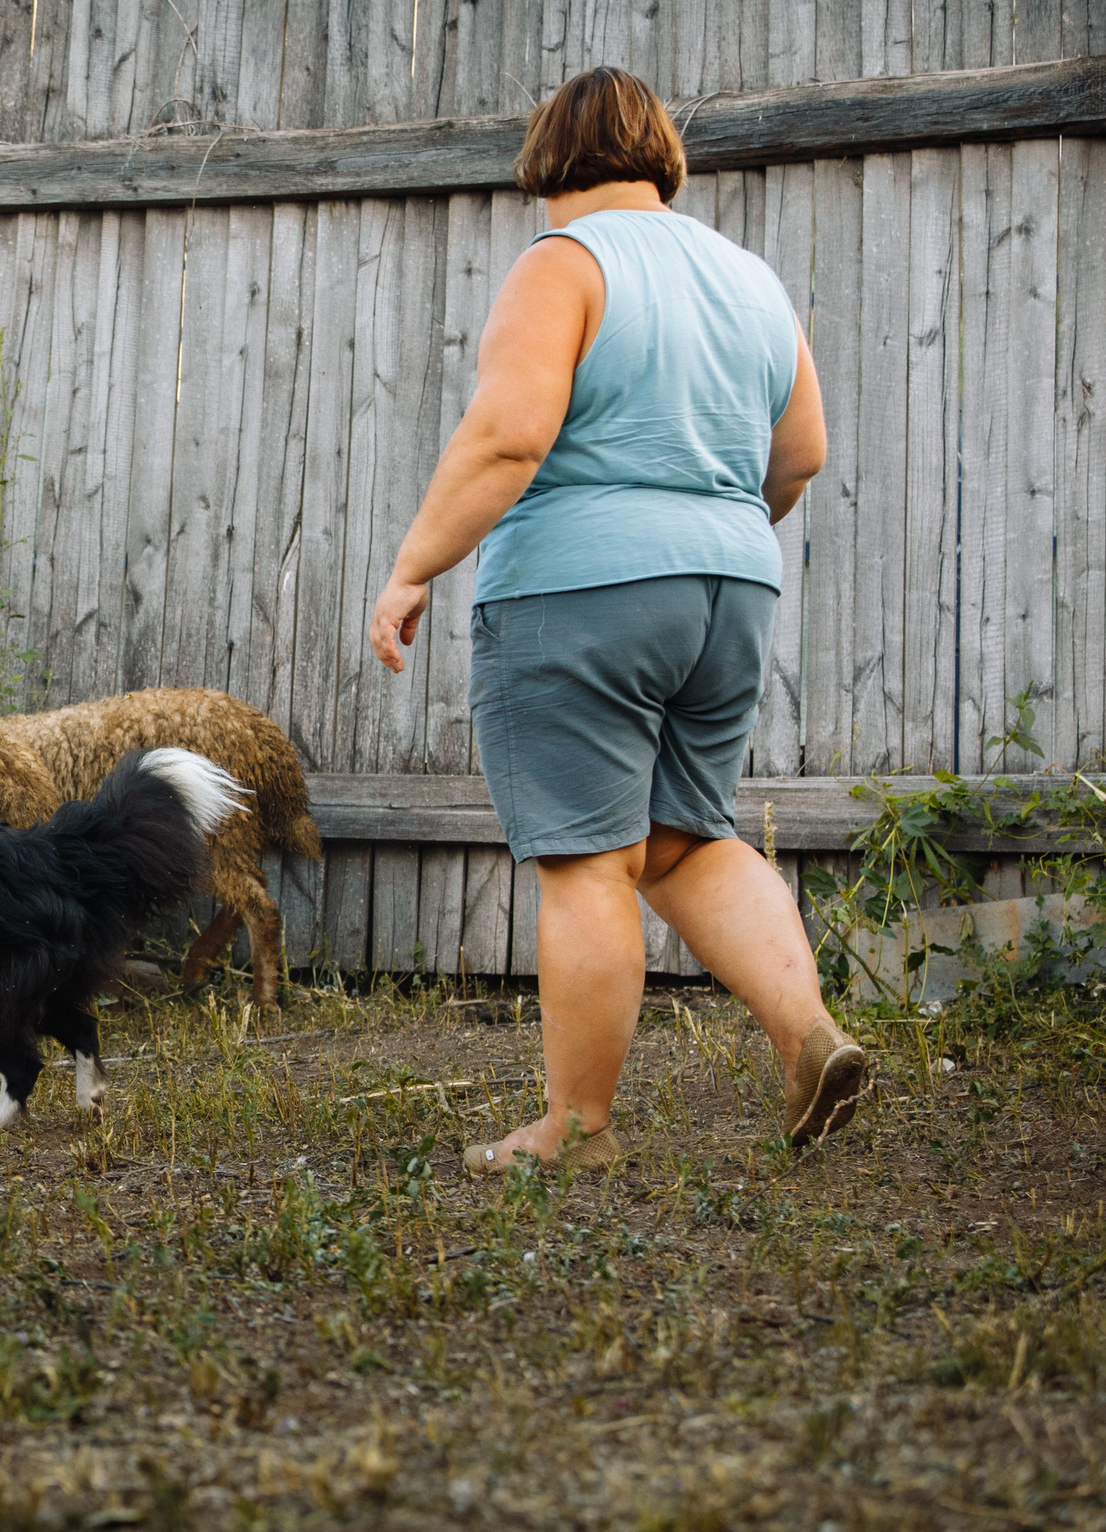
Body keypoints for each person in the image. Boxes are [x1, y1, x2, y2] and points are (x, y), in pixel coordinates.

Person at [366, 66, 869, 1173]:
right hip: (732, 584)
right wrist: (708, 527)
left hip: (579, 587)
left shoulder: (562, 264)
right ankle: (808, 1033)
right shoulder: (746, 278)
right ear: (663, 160)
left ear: (545, 160)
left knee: (588, 861)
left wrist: (413, 568)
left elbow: (507, 439)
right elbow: (801, 458)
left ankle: (577, 1129)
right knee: (686, 838)